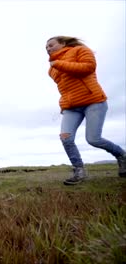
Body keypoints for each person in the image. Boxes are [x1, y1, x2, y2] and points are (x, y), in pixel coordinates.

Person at [46, 36, 126, 185]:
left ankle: (122, 155)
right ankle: (79, 171)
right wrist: (63, 104)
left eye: (51, 45)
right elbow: (65, 87)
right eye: (46, 48)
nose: (48, 49)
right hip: (71, 107)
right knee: (66, 138)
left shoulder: (80, 50)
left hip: (93, 101)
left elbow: (88, 68)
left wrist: (58, 63)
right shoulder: (51, 69)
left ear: (63, 43)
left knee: (93, 139)